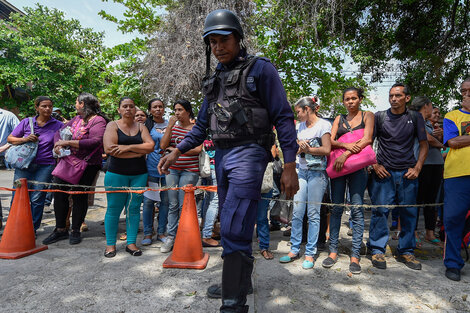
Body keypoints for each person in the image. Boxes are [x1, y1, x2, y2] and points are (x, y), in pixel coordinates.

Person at [158, 9, 298, 313]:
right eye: (212, 42)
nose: (218, 47)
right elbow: (200, 127)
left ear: (238, 38)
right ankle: (240, 282)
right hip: (221, 156)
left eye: (224, 40)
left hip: (250, 153)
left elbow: (284, 117)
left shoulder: (261, 70)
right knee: (236, 223)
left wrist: (290, 164)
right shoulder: (215, 79)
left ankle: (233, 305)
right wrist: (177, 150)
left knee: (233, 227)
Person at [368, 83, 428, 271]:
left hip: (407, 174)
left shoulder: (415, 117)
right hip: (383, 173)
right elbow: (368, 143)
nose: (394, 99)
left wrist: (417, 168)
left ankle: (406, 251)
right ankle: (377, 249)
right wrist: (375, 165)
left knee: (409, 214)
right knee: (380, 212)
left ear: (407, 98)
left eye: (398, 96)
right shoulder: (380, 117)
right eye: (391, 95)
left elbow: (424, 144)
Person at [42, 92, 107, 245]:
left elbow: (96, 141)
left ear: (83, 104)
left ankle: (75, 230)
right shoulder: (77, 119)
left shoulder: (98, 121)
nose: (75, 105)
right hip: (68, 163)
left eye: (77, 102)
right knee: (59, 195)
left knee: (79, 197)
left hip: (88, 165)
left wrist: (69, 143)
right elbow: (59, 132)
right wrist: (58, 144)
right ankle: (60, 230)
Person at [321, 87, 374, 274]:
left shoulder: (368, 115)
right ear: (343, 101)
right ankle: (333, 251)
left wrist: (345, 155)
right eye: (347, 99)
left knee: (357, 209)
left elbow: (367, 139)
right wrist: (345, 146)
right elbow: (330, 140)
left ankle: (355, 256)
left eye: (354, 98)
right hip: (338, 169)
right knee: (336, 208)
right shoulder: (338, 119)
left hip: (358, 168)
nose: (350, 102)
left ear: (360, 99)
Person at [279, 96, 331, 269]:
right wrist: (298, 145)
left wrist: (309, 149)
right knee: (297, 212)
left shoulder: (324, 125)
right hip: (301, 172)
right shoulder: (298, 126)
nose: (298, 115)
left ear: (308, 109)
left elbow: (326, 149)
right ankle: (294, 249)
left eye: (299, 111)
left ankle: (310, 252)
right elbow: (293, 147)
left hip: (317, 174)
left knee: (314, 214)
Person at [102, 97, 154, 257]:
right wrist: (139, 151)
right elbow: (110, 149)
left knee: (133, 209)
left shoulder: (141, 127)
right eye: (125, 106)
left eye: (131, 106)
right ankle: (110, 245)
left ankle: (131, 243)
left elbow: (150, 146)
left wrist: (127, 147)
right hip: (116, 173)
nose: (128, 109)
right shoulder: (113, 125)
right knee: (113, 209)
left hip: (139, 174)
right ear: (119, 109)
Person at [7, 96, 63, 233]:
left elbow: (61, 143)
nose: (47, 109)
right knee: (18, 195)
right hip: (24, 165)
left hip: (46, 165)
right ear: (36, 107)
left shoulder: (58, 125)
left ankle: (31, 229)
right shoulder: (27, 122)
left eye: (50, 106)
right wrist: (25, 139)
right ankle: (14, 228)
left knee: (38, 198)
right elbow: (10, 139)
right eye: (44, 106)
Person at [159, 99, 202, 253]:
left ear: (188, 111)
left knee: (186, 204)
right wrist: (169, 127)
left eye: (180, 110)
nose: (177, 113)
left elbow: (197, 149)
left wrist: (175, 149)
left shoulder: (195, 129)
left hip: (190, 170)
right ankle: (171, 236)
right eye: (175, 110)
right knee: (172, 204)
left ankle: (185, 236)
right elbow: (163, 146)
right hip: (172, 169)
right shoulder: (173, 128)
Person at [441, 78, 470, 281]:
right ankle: (453, 263)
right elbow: (452, 141)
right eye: (463, 91)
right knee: (453, 219)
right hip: (457, 175)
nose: (466, 94)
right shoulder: (452, 116)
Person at [409, 96, 444, 247]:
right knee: (418, 199)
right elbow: (427, 138)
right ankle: (414, 232)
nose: (433, 110)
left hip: (436, 164)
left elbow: (431, 136)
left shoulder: (430, 124)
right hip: (423, 165)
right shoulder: (416, 119)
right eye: (431, 106)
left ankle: (430, 232)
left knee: (432, 201)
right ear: (426, 106)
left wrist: (438, 138)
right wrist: (441, 145)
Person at [141, 98, 169, 246]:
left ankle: (161, 232)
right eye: (154, 107)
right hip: (150, 168)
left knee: (165, 201)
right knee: (148, 202)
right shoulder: (146, 126)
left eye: (160, 107)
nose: (158, 109)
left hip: (167, 169)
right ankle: (147, 233)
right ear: (150, 110)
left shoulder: (171, 125)